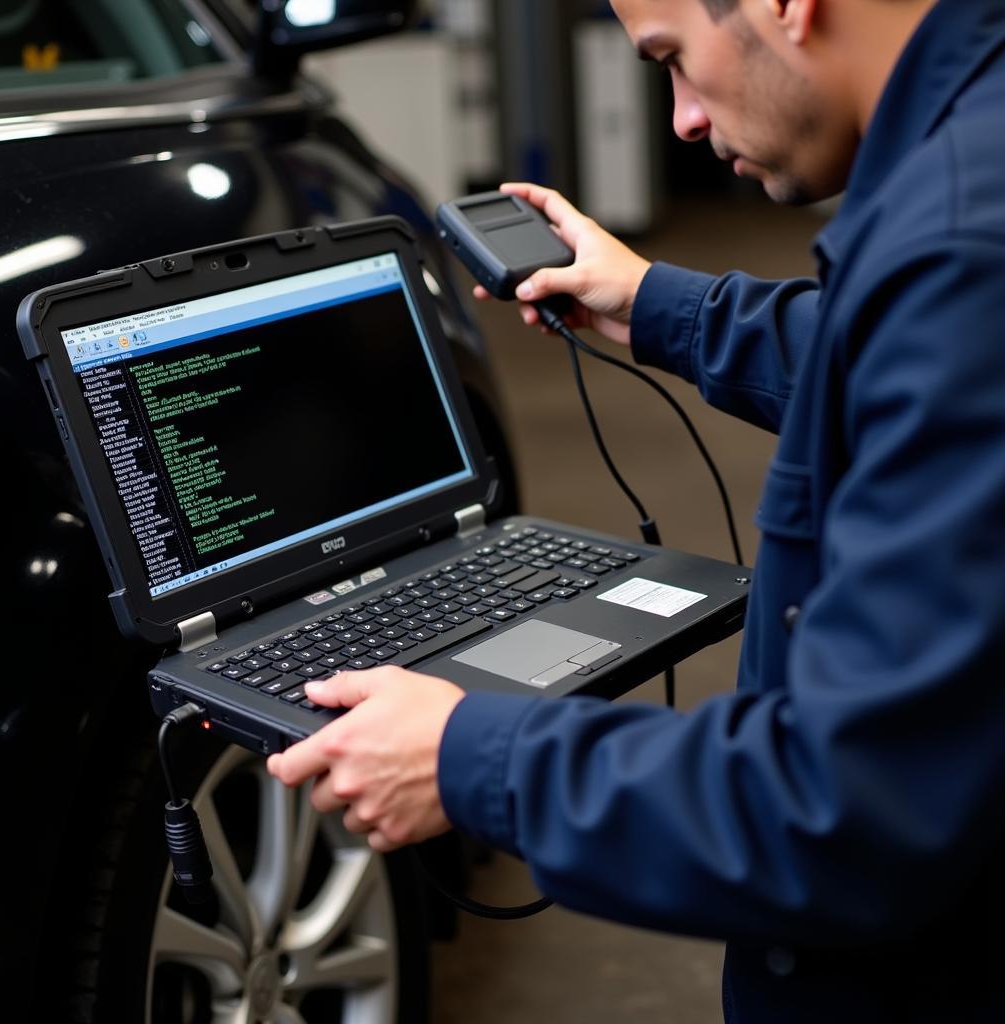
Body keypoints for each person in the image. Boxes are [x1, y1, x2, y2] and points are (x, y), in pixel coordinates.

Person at [268, 0, 1005, 1019]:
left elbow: (851, 809)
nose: (682, 120)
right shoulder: (971, 164)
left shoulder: (964, 248)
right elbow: (882, 354)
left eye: (674, 61)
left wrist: (469, 756)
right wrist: (649, 300)